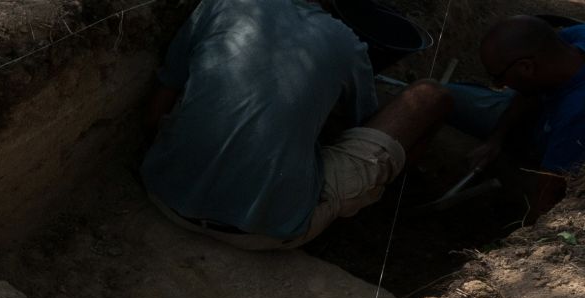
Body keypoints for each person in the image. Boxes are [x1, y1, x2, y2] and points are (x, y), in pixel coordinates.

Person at [142, 0, 450, 250]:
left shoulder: (221, 4)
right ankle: (388, 210)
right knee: (432, 95)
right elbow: (361, 128)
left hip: (163, 193)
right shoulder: (346, 43)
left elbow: (155, 114)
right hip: (262, 231)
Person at [448, 16, 585, 221]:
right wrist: (496, 139)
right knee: (442, 95)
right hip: (574, 107)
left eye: (498, 78)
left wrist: (525, 235)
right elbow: (529, 89)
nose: (499, 85)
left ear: (526, 67)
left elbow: (549, 191)